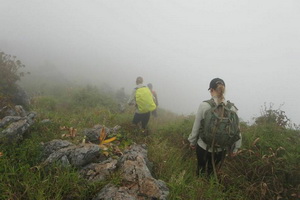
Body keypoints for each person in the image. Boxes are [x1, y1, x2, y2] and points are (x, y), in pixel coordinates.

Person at [188, 78, 242, 177]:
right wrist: (236, 148)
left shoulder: (204, 105)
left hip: (203, 146)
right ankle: (210, 186)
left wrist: (192, 142)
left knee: (201, 169)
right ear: (224, 90)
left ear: (212, 90)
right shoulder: (232, 108)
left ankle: (200, 188)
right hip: (221, 149)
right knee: (212, 171)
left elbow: (196, 126)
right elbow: (237, 130)